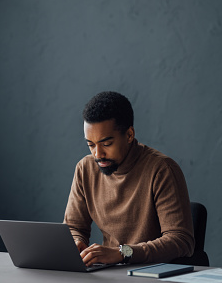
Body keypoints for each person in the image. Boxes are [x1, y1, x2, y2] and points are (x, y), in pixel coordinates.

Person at [64, 91, 194, 266]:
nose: (97, 153)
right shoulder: (85, 169)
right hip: (108, 273)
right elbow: (74, 227)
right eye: (91, 145)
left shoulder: (161, 170)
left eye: (106, 144)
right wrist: (76, 242)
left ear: (129, 135)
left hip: (152, 274)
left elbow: (180, 240)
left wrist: (123, 253)